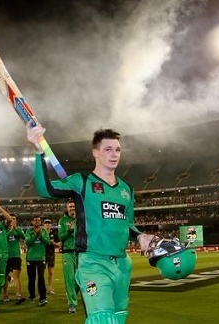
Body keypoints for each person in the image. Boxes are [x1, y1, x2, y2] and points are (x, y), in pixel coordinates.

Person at [26, 124, 156, 323]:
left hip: (122, 265)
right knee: (102, 319)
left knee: (119, 318)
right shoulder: (81, 182)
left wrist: (140, 235)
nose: (114, 154)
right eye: (108, 149)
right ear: (95, 152)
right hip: (93, 263)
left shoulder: (126, 189)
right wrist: (38, 151)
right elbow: (46, 190)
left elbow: (127, 223)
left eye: (117, 149)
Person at [58, 199, 80, 314]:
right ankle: (72, 304)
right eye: (70, 207)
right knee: (70, 279)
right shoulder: (62, 220)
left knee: (80, 278)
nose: (72, 208)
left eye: (73, 206)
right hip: (67, 252)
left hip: (80, 252)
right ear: (67, 208)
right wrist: (70, 230)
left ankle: (72, 294)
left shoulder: (81, 219)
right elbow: (60, 237)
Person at [24, 215, 50, 307]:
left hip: (40, 258)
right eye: (35, 220)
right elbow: (28, 243)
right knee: (31, 279)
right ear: (32, 222)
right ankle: (32, 295)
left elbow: (47, 242)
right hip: (30, 258)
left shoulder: (44, 231)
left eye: (39, 220)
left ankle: (42, 298)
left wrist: (41, 236)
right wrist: (36, 236)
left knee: (41, 278)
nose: (37, 221)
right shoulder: (28, 231)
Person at [2, 213, 26, 305]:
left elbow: (24, 237)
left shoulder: (18, 229)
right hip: (6, 256)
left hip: (16, 256)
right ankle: (5, 295)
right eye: (11, 219)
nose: (12, 220)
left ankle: (18, 295)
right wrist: (11, 231)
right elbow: (4, 239)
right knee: (5, 276)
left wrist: (15, 229)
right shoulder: (4, 229)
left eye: (14, 219)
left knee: (16, 276)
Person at [43, 218, 60, 295]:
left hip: (51, 255)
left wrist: (54, 243)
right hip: (42, 254)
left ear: (50, 225)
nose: (47, 224)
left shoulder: (54, 233)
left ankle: (50, 288)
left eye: (49, 223)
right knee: (41, 273)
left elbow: (59, 243)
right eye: (46, 223)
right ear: (43, 225)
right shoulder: (42, 233)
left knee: (51, 272)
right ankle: (42, 288)